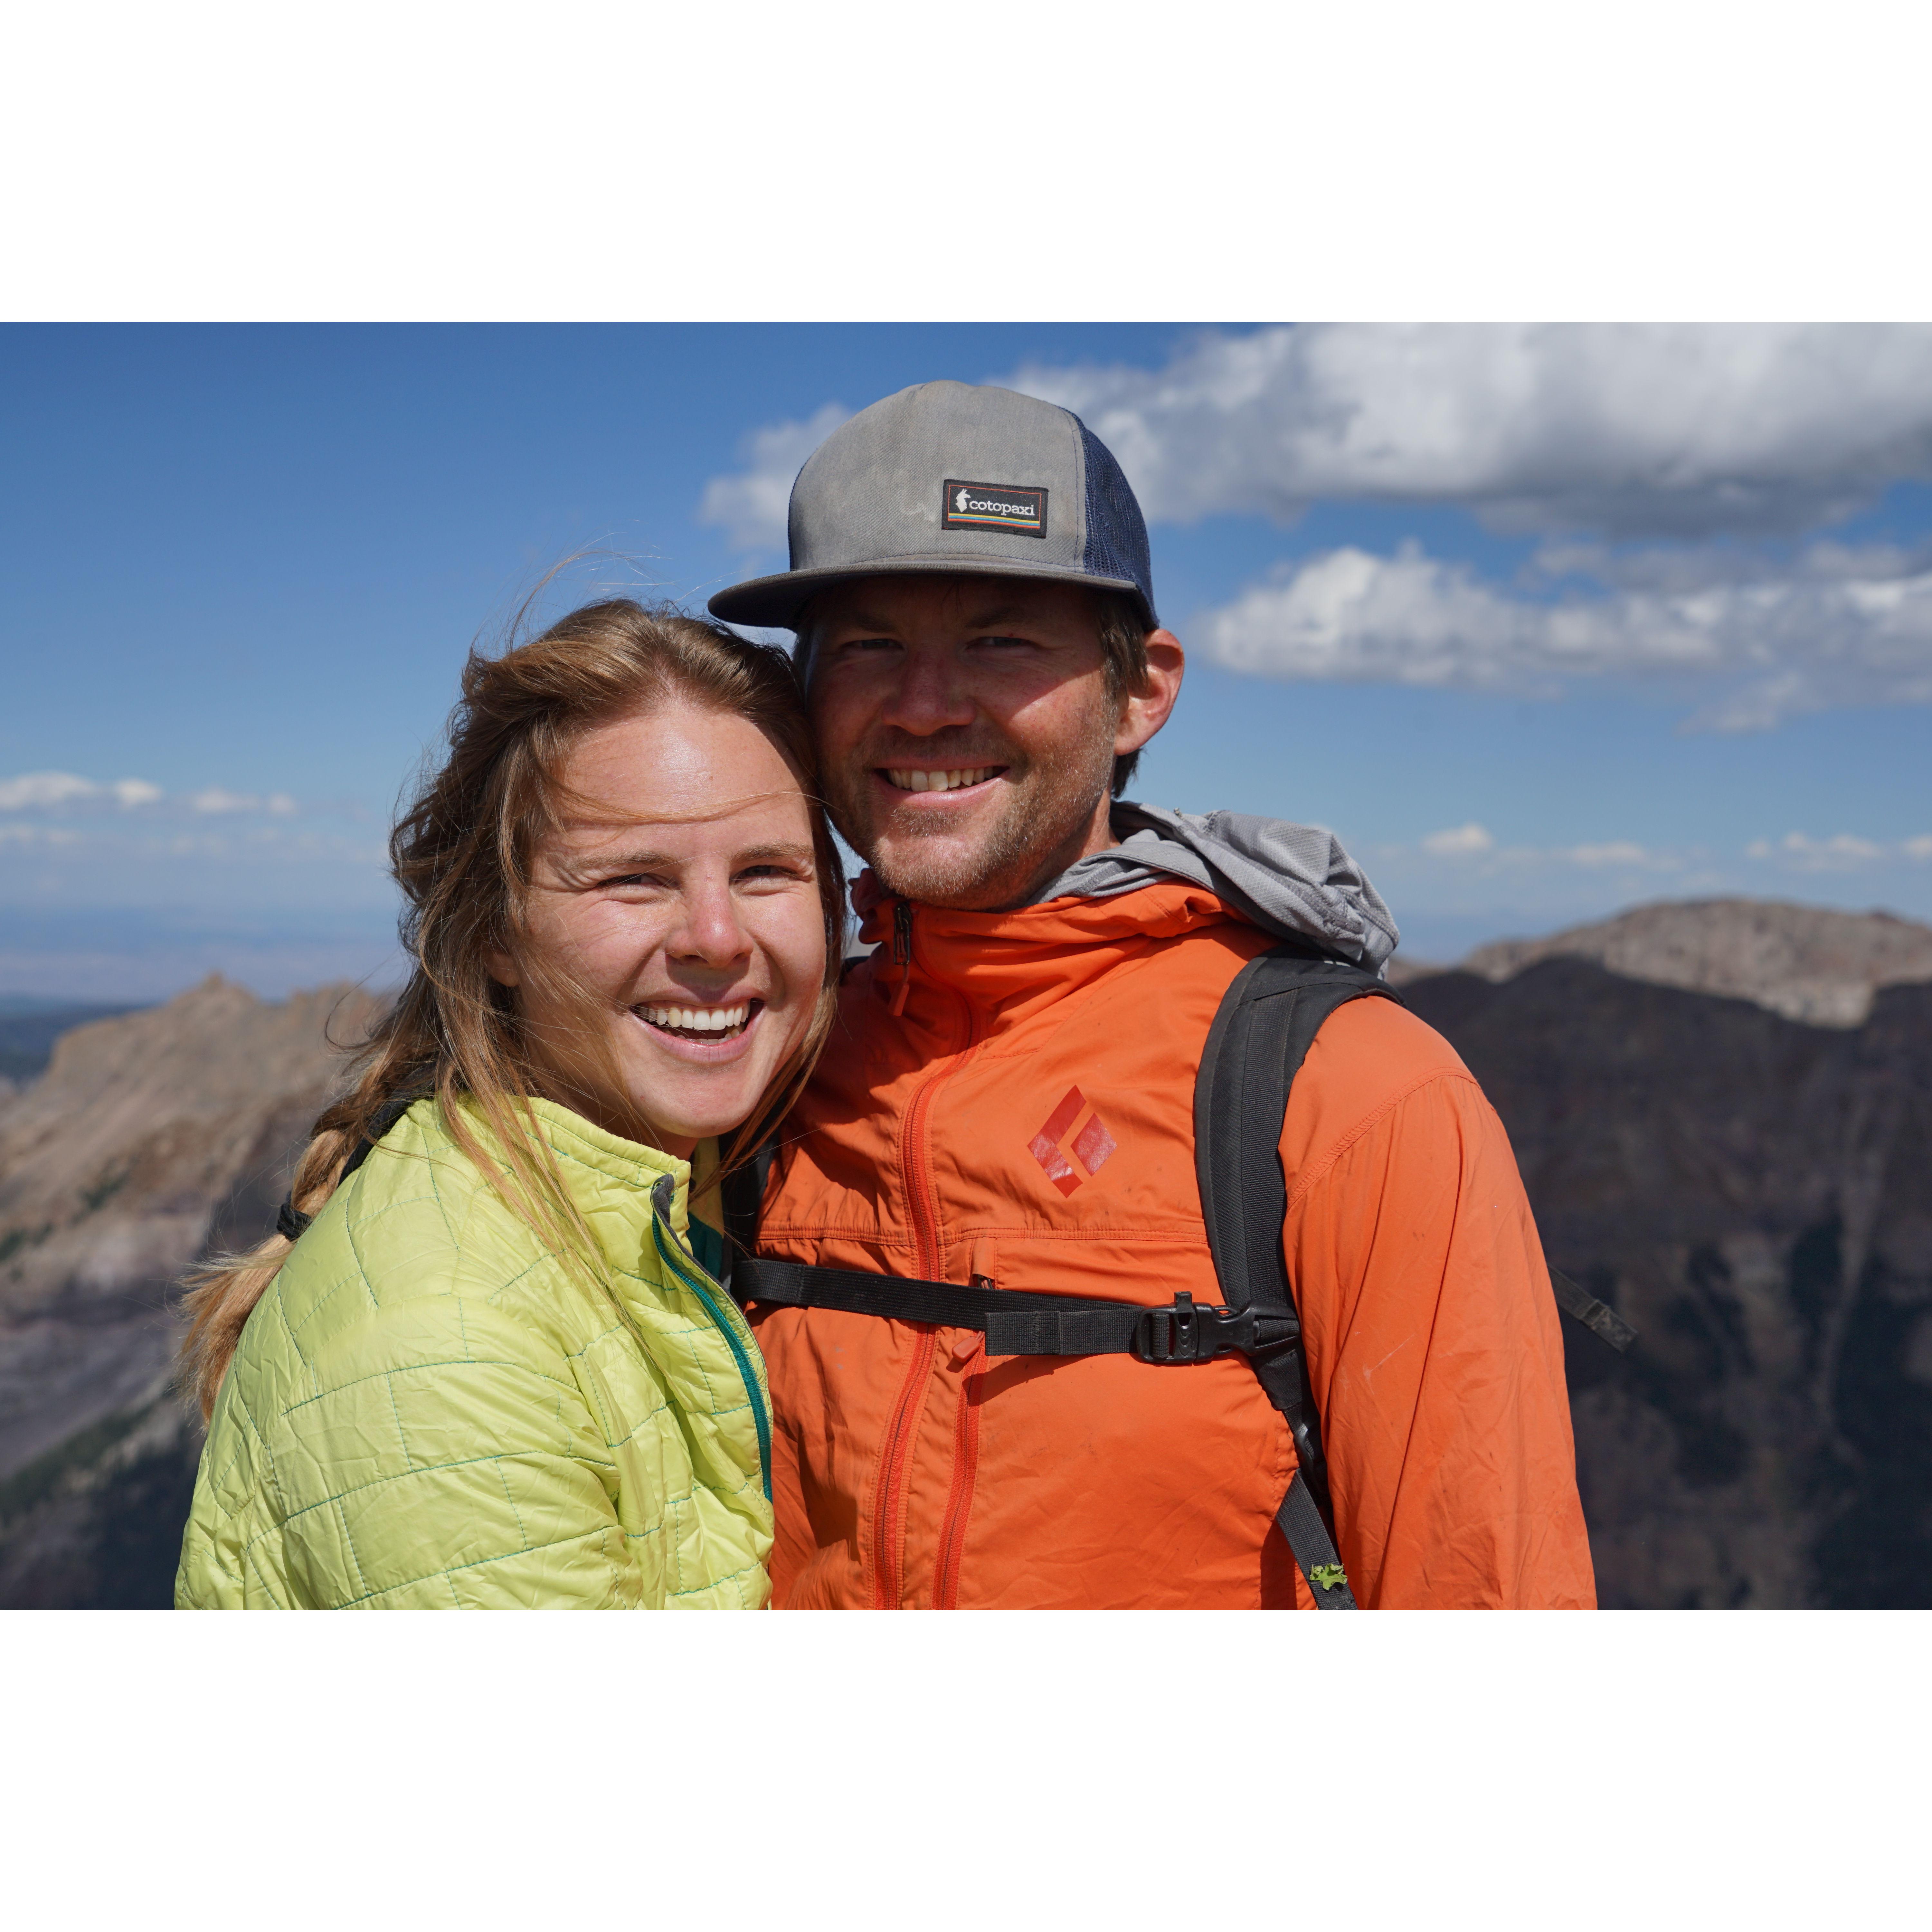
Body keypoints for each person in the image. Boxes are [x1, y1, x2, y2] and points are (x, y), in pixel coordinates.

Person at [708, 380, 1596, 1609]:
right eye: (868, 645)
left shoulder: (1352, 1094)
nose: (922, 705)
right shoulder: (762, 1067)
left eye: (999, 639)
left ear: (1143, 692)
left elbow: (1485, 1592)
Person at [174, 600, 845, 1608]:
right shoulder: (445, 1344)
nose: (716, 936)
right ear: (495, 931)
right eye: (632, 878)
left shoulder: (681, 1184)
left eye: (766, 872)